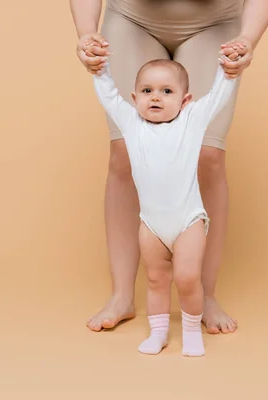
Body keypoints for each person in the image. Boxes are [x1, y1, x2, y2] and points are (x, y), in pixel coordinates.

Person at [70, 0, 268, 334]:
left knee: (208, 156)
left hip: (216, 21)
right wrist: (86, 32)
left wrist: (249, 37)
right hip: (132, 18)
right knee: (124, 151)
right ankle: (121, 295)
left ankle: (205, 296)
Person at [91, 49, 239, 355]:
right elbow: (108, 97)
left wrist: (228, 72)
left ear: (185, 100)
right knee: (156, 280)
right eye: (147, 91)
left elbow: (217, 97)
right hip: (151, 224)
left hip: (188, 221)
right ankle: (157, 333)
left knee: (187, 278)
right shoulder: (132, 124)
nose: (155, 97)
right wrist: (99, 70)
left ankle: (190, 333)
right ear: (135, 98)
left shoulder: (192, 121)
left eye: (166, 91)